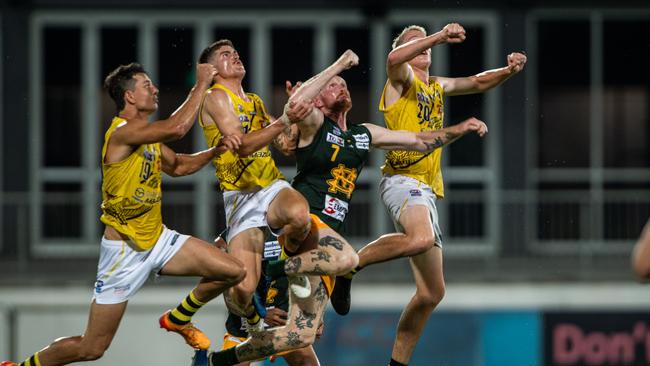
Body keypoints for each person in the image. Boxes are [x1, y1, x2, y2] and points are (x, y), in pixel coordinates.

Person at [196, 49, 487, 366]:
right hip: (301, 233)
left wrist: (459, 130)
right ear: (317, 102)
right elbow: (294, 107)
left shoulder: (363, 133)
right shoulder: (314, 123)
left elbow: (417, 140)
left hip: (325, 242)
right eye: (333, 86)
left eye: (344, 84)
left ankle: (216, 362)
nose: (342, 87)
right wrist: (336, 66)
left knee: (299, 341)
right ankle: (285, 279)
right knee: (285, 302)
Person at [0, 62, 246, 366]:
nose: (155, 89)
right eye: (147, 85)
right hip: (123, 253)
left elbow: (180, 165)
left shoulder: (146, 137)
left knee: (233, 270)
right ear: (129, 96)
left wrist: (215, 151)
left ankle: (179, 318)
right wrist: (201, 85)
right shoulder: (122, 133)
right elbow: (177, 128)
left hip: (158, 239)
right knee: (91, 348)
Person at [328, 23, 527, 366]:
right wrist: (435, 37)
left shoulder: (435, 85)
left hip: (425, 189)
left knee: (432, 292)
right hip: (402, 179)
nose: (422, 47)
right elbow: (392, 58)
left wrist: (508, 71)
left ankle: (397, 363)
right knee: (419, 239)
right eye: (414, 42)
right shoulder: (400, 80)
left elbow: (479, 81)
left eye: (425, 43)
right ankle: (348, 266)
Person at [191, 49, 362, 366]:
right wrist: (259, 311)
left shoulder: (254, 102)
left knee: (311, 233)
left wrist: (310, 313)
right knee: (243, 284)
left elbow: (284, 143)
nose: (237, 56)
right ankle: (214, 358)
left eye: (237, 51)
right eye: (226, 54)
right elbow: (230, 291)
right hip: (251, 322)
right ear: (212, 70)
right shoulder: (216, 98)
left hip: (282, 318)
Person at [214, 230, 322, 366]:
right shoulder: (233, 234)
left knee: (308, 363)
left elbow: (311, 269)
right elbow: (229, 294)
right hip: (245, 328)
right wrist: (261, 313)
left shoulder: (294, 226)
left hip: (282, 326)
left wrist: (316, 311)